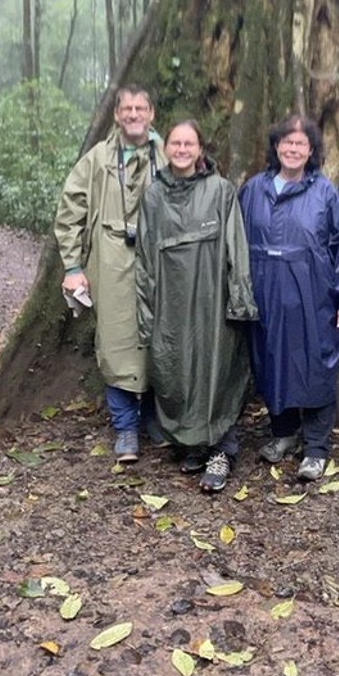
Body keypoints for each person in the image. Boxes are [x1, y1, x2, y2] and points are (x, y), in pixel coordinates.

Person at [135, 118, 257, 494]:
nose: (182, 150)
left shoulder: (220, 191)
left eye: (189, 144)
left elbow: (237, 246)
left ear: (201, 149)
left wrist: (240, 300)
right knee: (177, 370)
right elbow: (144, 258)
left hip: (213, 301)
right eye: (176, 143)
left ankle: (222, 449)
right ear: (166, 147)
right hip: (172, 303)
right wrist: (147, 315)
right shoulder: (153, 196)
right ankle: (193, 444)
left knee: (216, 371)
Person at [240, 111, 339, 482]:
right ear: (276, 147)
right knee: (272, 361)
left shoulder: (323, 191)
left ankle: (316, 447)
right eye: (287, 142)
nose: (293, 149)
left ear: (311, 151)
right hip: (265, 290)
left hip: (312, 292)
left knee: (316, 363)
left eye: (301, 144)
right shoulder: (253, 190)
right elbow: (235, 243)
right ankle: (283, 433)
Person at [55, 83, 164, 463]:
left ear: (152, 114)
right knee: (116, 340)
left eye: (141, 108)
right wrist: (72, 266)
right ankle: (125, 427)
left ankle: (154, 417)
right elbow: (71, 209)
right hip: (111, 256)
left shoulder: (168, 155)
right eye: (127, 109)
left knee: (159, 338)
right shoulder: (99, 158)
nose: (133, 115)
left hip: (158, 261)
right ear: (117, 115)